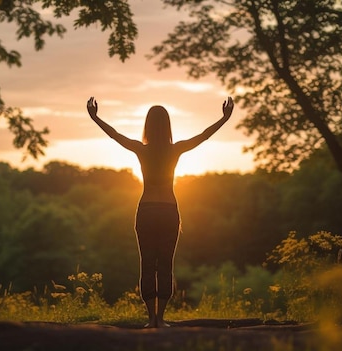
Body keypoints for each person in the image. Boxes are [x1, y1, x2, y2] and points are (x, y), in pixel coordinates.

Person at [86, 96, 234, 328]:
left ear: (147, 125)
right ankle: (161, 319)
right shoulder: (175, 150)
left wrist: (95, 117)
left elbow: (114, 135)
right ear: (168, 126)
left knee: (147, 264)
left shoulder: (140, 149)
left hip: (146, 210)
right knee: (165, 264)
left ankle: (150, 319)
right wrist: (224, 118)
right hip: (168, 211)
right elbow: (204, 136)